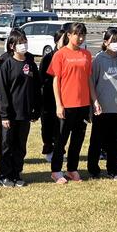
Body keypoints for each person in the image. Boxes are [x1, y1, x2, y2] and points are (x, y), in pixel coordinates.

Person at [47, 23, 101, 184]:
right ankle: (56, 171)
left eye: (83, 34)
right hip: (66, 104)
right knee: (61, 139)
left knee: (78, 139)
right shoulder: (60, 54)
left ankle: (72, 169)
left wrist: (95, 100)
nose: (81, 38)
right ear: (69, 35)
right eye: (77, 34)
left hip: (83, 105)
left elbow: (89, 79)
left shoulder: (86, 54)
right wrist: (59, 104)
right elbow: (56, 81)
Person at [87, 28, 117, 180]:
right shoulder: (98, 60)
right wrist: (94, 104)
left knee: (116, 141)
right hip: (102, 108)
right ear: (105, 42)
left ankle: (113, 170)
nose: (116, 43)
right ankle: (93, 170)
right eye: (113, 41)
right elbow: (92, 83)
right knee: (97, 140)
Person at [0, 29, 41, 187]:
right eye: (20, 43)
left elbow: (37, 88)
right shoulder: (7, 64)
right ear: (12, 46)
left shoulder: (30, 64)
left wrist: (36, 109)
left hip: (25, 113)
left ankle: (16, 173)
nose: (24, 45)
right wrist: (4, 115)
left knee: (20, 146)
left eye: (25, 42)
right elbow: (2, 91)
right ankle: (4, 175)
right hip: (10, 114)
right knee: (7, 145)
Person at [38, 29, 67, 162]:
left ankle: (60, 150)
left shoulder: (68, 56)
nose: (65, 42)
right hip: (49, 98)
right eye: (63, 40)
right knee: (48, 125)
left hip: (65, 96)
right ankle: (48, 149)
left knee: (62, 125)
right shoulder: (48, 57)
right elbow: (41, 79)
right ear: (56, 41)